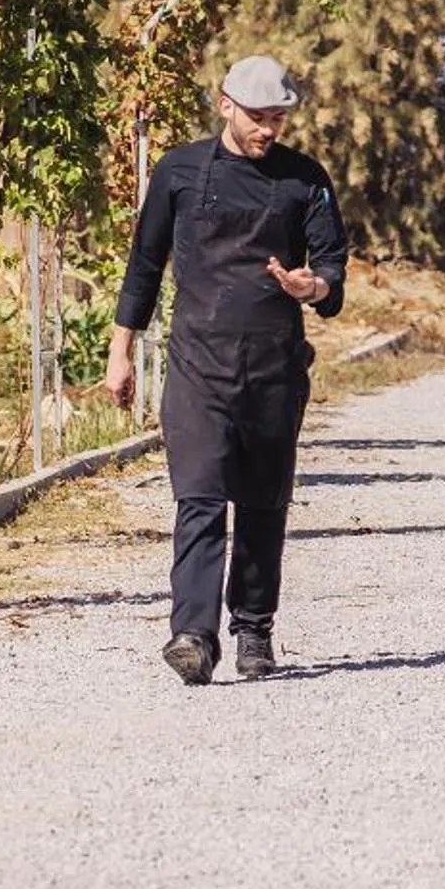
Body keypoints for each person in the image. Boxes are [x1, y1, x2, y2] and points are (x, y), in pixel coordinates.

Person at [107, 55, 348, 685]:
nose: (269, 130)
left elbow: (333, 266)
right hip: (197, 364)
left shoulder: (305, 179)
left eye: (278, 119)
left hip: (274, 365)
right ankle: (192, 633)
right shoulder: (180, 171)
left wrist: (312, 287)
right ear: (225, 106)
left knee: (264, 502)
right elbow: (144, 264)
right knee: (201, 497)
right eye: (258, 118)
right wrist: (121, 350)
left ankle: (255, 629)